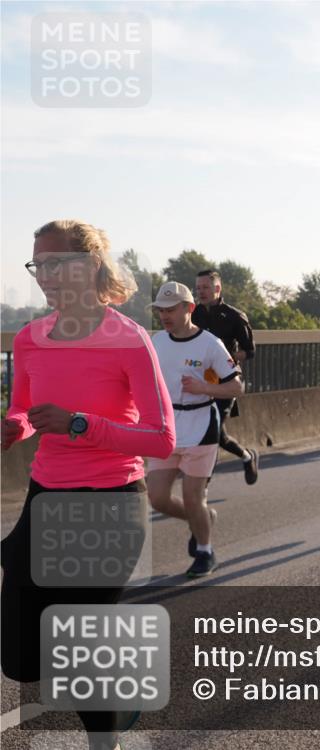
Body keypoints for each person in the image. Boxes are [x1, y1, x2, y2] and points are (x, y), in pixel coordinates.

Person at [2, 220, 175, 750]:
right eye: (39, 265)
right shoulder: (30, 338)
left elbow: (162, 439)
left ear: (90, 266)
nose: (45, 277)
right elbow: (27, 411)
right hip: (46, 496)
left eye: (56, 264)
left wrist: (82, 424)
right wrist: (14, 428)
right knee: (19, 657)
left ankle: (107, 738)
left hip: (111, 502)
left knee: (78, 640)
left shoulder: (129, 340)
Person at [148, 282, 243, 577]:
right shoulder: (156, 342)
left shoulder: (210, 344)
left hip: (201, 425)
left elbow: (237, 386)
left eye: (171, 309)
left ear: (189, 308)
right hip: (166, 427)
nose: (165, 315)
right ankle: (202, 518)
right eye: (161, 310)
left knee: (193, 496)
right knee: (157, 498)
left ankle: (205, 550)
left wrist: (204, 387)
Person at [192, 269, 258, 484]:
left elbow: (250, 351)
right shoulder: (192, 314)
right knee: (216, 436)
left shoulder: (235, 316)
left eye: (205, 287)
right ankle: (246, 456)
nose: (201, 292)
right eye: (198, 288)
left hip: (226, 383)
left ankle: (202, 486)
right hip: (199, 381)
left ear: (217, 288)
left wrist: (225, 358)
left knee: (214, 433)